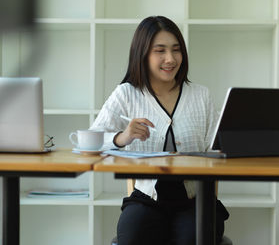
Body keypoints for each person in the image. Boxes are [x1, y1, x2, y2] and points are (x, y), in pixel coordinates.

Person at [90, 15, 229, 245]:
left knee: (193, 238)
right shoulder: (126, 94)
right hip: (146, 200)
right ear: (142, 54)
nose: (170, 59)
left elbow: (216, 148)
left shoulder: (200, 95)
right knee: (133, 237)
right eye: (160, 50)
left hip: (195, 200)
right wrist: (122, 137)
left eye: (176, 50)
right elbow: (91, 141)